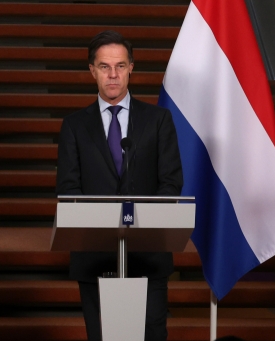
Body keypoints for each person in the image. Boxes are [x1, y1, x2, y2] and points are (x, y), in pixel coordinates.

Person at [56, 31, 183, 341]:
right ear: (91, 70)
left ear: (131, 68)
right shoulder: (74, 125)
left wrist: (141, 223)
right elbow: (69, 189)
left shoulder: (158, 120)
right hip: (94, 255)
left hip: (147, 254)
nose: (113, 75)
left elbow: (171, 183)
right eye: (104, 66)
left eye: (120, 66)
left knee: (151, 334)